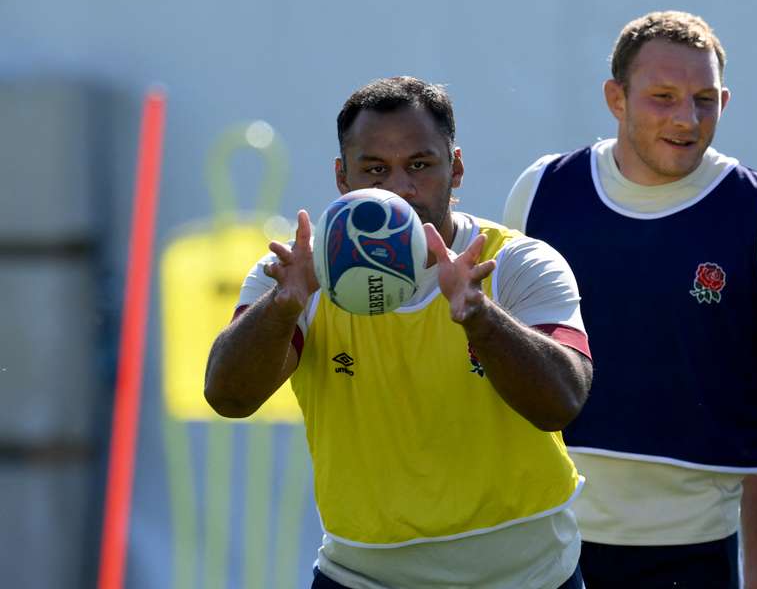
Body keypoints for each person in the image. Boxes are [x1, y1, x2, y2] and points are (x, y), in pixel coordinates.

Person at [205, 76, 594, 589]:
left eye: (419, 165)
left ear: (454, 168)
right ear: (342, 177)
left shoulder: (518, 262)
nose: (400, 189)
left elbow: (563, 401)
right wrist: (282, 307)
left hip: (531, 574)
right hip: (363, 575)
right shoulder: (298, 272)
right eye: (374, 170)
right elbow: (228, 397)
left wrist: (479, 314)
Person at [504, 11, 757, 589]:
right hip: (546, 539)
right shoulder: (541, 191)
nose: (687, 119)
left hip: (695, 551)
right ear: (617, 98)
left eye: (704, 99)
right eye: (663, 97)